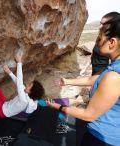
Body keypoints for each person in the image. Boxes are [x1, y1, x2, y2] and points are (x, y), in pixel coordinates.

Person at [49, 16, 120, 146]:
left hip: (103, 138)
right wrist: (67, 81)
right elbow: (94, 79)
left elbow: (89, 115)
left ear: (112, 43)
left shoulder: (114, 76)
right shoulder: (115, 67)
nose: (98, 42)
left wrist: (58, 107)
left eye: (100, 37)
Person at [80, 12, 120, 76]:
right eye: (100, 23)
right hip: (95, 68)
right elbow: (92, 56)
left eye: (103, 24)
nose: (100, 27)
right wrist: (85, 68)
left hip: (102, 68)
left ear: (112, 42)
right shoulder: (99, 40)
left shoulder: (113, 74)